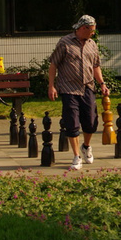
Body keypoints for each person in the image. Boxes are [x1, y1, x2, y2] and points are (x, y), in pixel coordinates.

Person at [48, 15, 110, 171]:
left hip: (87, 87)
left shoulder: (92, 44)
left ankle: (86, 146)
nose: (93, 34)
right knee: (72, 122)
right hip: (69, 88)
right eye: (92, 31)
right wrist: (51, 85)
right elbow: (53, 64)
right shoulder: (65, 43)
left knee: (91, 122)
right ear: (83, 28)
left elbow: (96, 66)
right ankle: (76, 156)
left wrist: (102, 83)